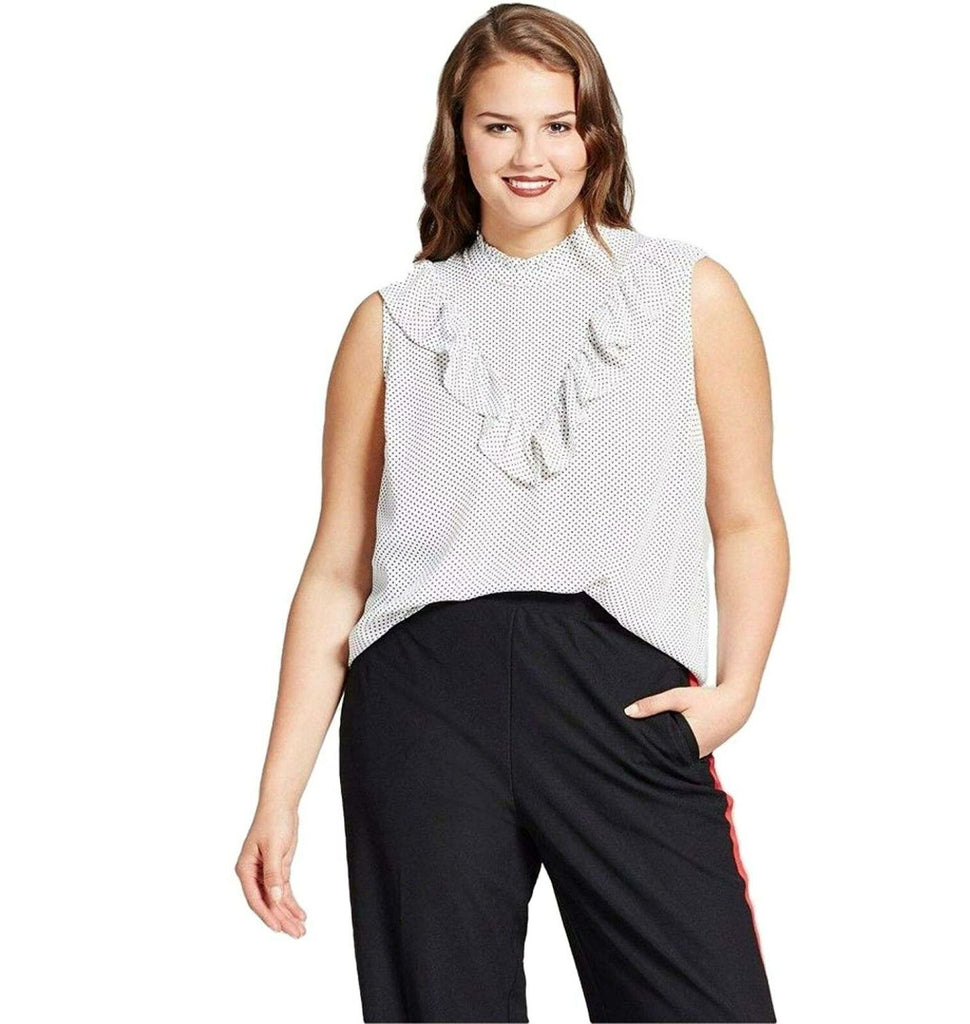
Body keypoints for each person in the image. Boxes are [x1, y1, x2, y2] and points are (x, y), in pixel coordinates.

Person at [236, 4, 788, 1022]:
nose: (530, 155)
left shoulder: (686, 293)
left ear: (596, 135)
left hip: (618, 694)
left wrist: (737, 690)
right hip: (422, 701)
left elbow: (747, 515)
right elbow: (336, 571)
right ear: (458, 135)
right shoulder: (394, 323)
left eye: (557, 125)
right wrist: (279, 792)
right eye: (499, 125)